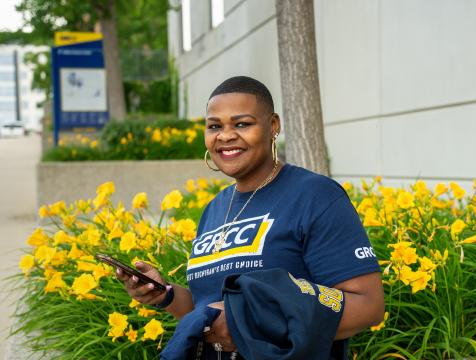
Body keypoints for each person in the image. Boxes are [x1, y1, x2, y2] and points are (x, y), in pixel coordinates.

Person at [117, 76, 385, 359]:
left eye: (242, 124)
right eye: (214, 126)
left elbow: (368, 307)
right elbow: (210, 311)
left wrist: (249, 325)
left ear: (273, 126)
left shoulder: (315, 196)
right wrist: (166, 295)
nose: (225, 135)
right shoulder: (214, 209)